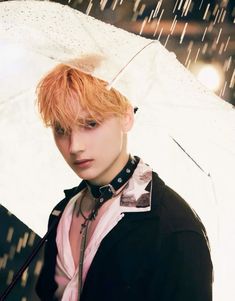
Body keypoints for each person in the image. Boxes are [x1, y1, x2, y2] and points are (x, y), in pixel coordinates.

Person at [35, 61, 213, 301]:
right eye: (61, 129)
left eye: (91, 123)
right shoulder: (62, 212)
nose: (75, 146)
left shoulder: (172, 227)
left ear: (126, 116)